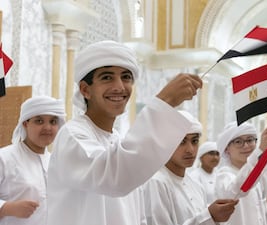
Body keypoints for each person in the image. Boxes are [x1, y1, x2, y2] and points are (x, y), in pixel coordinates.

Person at [46, 40, 203, 225]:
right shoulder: (72, 136)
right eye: (107, 77)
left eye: (126, 77)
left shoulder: (116, 142)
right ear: (85, 89)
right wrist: (165, 102)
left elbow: (137, 216)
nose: (119, 86)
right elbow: (115, 177)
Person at [141, 111, 238, 225]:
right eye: (181, 142)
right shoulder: (156, 182)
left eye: (194, 141)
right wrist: (209, 216)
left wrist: (213, 217)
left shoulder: (195, 185)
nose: (190, 149)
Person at [0, 96, 66, 225]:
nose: (47, 128)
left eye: (53, 122)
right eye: (39, 121)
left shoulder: (57, 162)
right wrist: (6, 208)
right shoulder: (4, 158)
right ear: (25, 124)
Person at [214, 121, 267, 225]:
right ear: (226, 149)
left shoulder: (254, 175)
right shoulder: (224, 176)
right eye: (238, 142)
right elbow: (240, 187)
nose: (246, 146)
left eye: (250, 140)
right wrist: (260, 150)